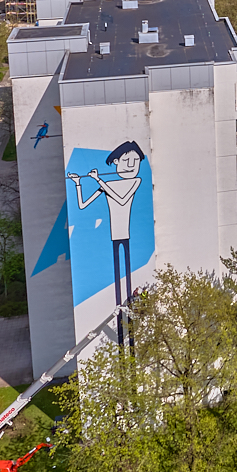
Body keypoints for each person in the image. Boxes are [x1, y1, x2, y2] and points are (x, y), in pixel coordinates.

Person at [68, 140, 145, 343]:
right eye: (127, 160)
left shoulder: (135, 181)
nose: (131, 165)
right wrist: (78, 183)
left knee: (127, 282)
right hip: (113, 237)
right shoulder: (107, 184)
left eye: (135, 161)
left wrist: (99, 180)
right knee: (118, 289)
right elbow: (83, 205)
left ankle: (130, 333)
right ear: (116, 162)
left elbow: (121, 199)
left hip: (126, 237)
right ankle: (121, 331)